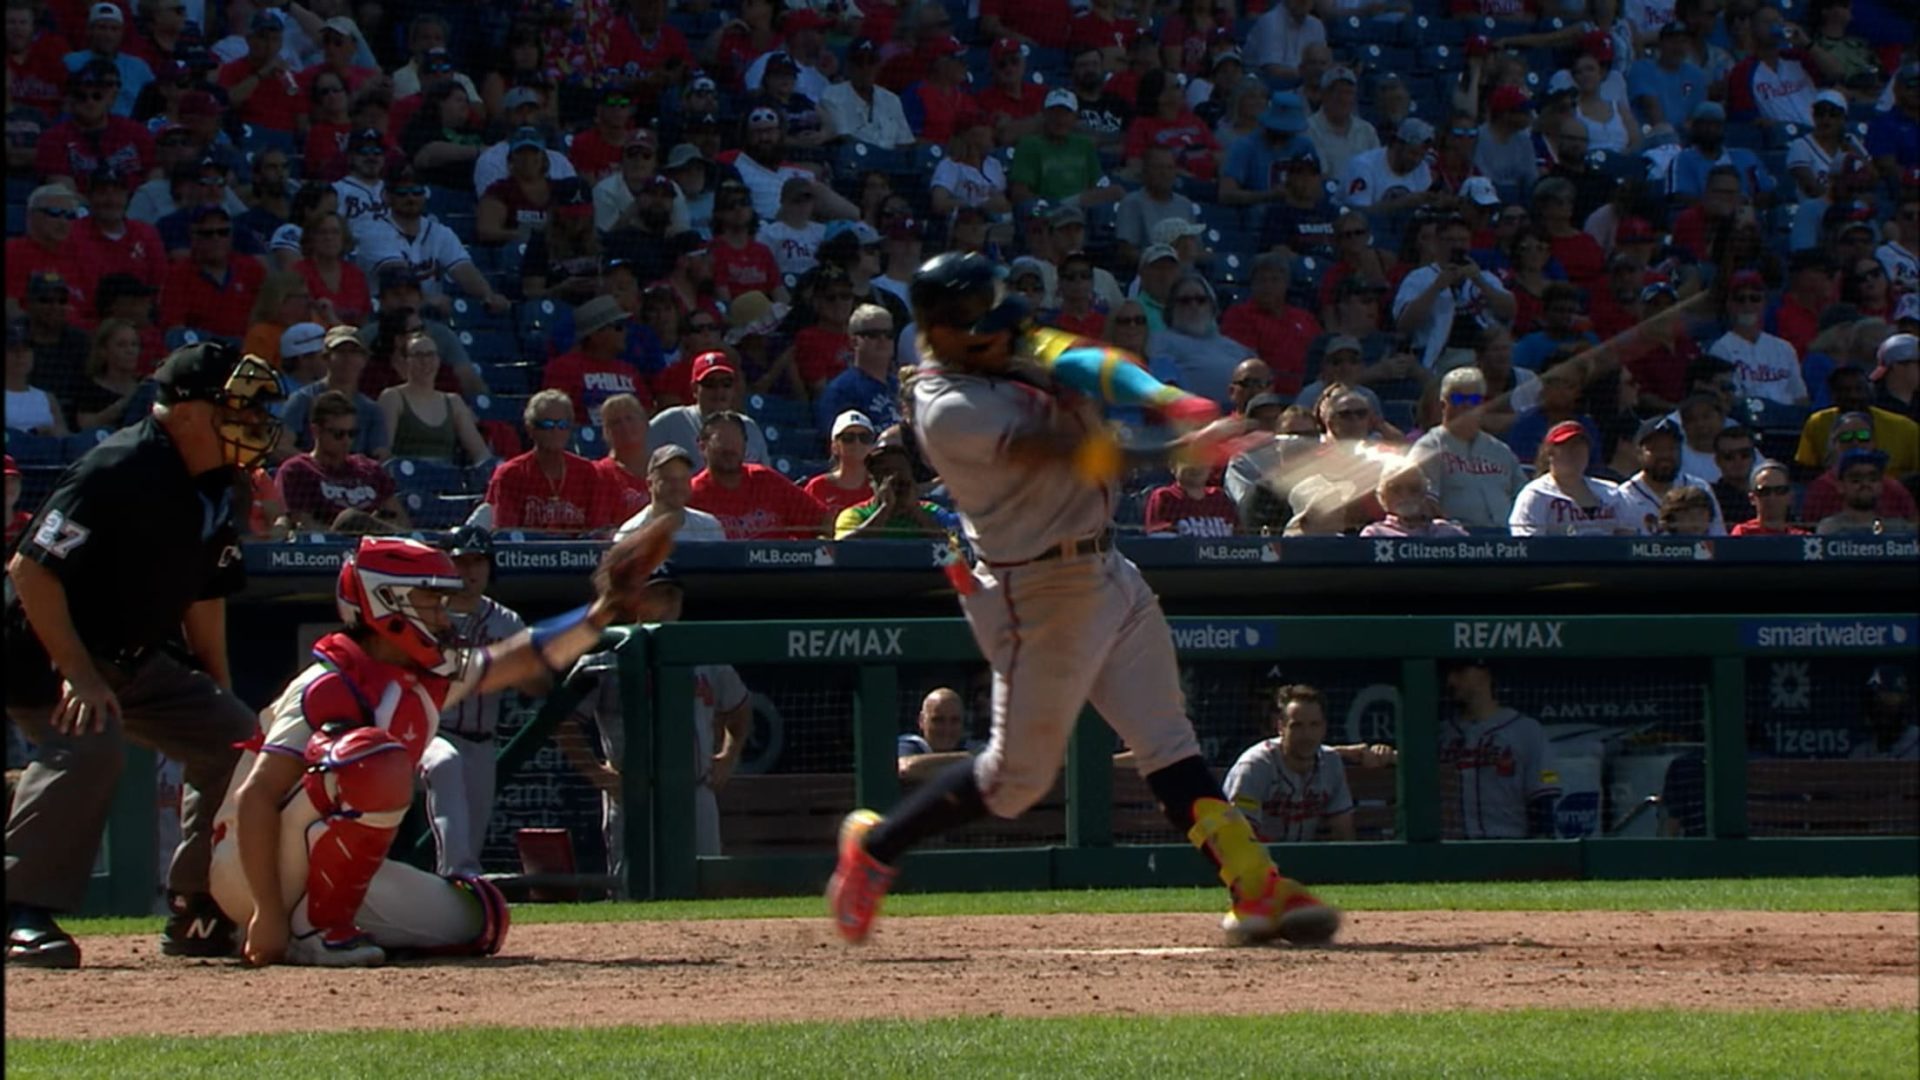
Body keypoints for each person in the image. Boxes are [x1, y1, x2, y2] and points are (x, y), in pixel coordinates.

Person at [826, 252, 1340, 948]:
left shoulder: (990, 343)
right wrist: (1178, 444)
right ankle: (876, 848)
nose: (1009, 336)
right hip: (1039, 597)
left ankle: (1257, 887)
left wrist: (1166, 397)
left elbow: (1082, 358)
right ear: (946, 335)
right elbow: (1078, 451)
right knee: (1014, 783)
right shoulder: (949, 411)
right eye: (989, 328)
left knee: (1167, 739)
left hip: (1108, 568)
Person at [210, 522, 665, 967]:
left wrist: (603, 610)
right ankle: (313, 931)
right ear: (388, 603)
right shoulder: (328, 684)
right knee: (372, 760)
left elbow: (522, 657)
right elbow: (256, 797)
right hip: (251, 867)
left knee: (480, 918)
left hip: (321, 874)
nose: (444, 616)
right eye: (430, 601)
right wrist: (266, 912)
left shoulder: (425, 674)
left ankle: (322, 923)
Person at [4, 343, 282, 967]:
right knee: (92, 737)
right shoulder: (117, 467)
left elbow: (205, 594)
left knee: (236, 741)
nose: (252, 422)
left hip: (133, 659)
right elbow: (30, 570)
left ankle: (196, 907)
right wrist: (78, 674)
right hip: (45, 651)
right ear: (186, 413)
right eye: (235, 408)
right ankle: (19, 909)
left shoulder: (215, 480)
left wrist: (218, 687)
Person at [565, 563, 749, 880]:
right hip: (635, 793)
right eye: (657, 594)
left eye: (672, 594)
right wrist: (597, 774)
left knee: (705, 885)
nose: (668, 602)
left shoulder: (704, 652)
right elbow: (563, 722)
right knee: (634, 885)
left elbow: (739, 707)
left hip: (695, 791)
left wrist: (728, 756)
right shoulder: (604, 655)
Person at [417, 527, 530, 880]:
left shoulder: (506, 621)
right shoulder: (425, 616)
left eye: (478, 561)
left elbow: (536, 685)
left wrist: (508, 666)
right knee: (445, 766)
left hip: (481, 741)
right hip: (434, 733)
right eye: (461, 561)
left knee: (472, 834)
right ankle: (455, 877)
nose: (470, 570)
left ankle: (455, 891)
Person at [1438, 660, 1560, 839]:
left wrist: (1540, 846)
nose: (1451, 680)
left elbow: (1545, 790)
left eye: (1460, 671)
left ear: (1485, 672)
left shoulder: (1527, 730)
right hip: (1451, 848)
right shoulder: (1441, 735)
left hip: (1509, 844)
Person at [1223, 684, 1356, 842]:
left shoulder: (1331, 763)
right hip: (1259, 855)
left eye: (1314, 725)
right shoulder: (1255, 766)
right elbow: (1238, 837)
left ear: (1324, 728)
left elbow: (1344, 832)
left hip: (1309, 855)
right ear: (1281, 727)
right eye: (1297, 726)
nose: (1307, 735)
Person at [485, 391, 625, 534]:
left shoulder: (588, 473)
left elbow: (598, 532)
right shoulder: (510, 474)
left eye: (562, 425)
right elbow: (507, 534)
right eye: (547, 425)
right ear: (530, 429)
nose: (555, 430)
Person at [1393, 215, 1518, 372]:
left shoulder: (1484, 276)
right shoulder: (1419, 277)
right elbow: (1404, 325)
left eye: (1462, 240)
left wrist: (1479, 281)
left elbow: (1510, 311)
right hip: (1442, 355)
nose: (1457, 245)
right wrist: (1437, 287)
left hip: (1486, 352)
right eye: (1450, 240)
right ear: (1436, 243)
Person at [1411, 367, 1524, 529]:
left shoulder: (1501, 451)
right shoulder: (1428, 448)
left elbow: (1523, 496)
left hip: (1506, 535)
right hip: (1456, 537)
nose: (1466, 406)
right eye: (1458, 399)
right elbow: (1425, 504)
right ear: (1443, 405)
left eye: (1474, 400)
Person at [278, 390, 407, 532]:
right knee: (351, 518)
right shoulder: (298, 470)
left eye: (352, 434)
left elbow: (400, 520)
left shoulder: (370, 470)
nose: (347, 441)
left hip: (377, 541)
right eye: (338, 434)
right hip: (331, 542)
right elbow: (302, 525)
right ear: (316, 431)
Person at [687, 411, 829, 539]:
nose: (729, 448)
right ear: (702, 447)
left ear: (745, 445)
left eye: (735, 441)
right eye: (720, 442)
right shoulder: (691, 495)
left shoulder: (767, 481)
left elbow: (822, 521)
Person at [1146, 273, 1258, 407]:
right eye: (1185, 301)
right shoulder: (1160, 341)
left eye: (1201, 300)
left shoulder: (1236, 348)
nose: (1194, 306)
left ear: (1212, 306)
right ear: (1171, 308)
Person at [376, 333, 489, 465]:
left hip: (446, 474)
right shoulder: (392, 397)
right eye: (418, 355)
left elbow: (480, 452)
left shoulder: (454, 402)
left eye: (430, 355)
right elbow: (383, 452)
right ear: (406, 361)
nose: (425, 362)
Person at [647, 352, 771, 471]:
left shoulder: (749, 428)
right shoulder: (670, 422)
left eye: (726, 383)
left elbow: (765, 477)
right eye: (710, 383)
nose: (719, 390)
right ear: (694, 389)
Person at [157, 206, 266, 340]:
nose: (216, 238)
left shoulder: (251, 269)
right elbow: (174, 329)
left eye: (223, 232)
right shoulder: (178, 275)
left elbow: (266, 317)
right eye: (207, 233)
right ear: (193, 236)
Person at [1793, 368, 1920, 479]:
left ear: (1870, 390)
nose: (1853, 396)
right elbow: (1806, 469)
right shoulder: (1817, 423)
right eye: (1845, 390)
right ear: (1832, 394)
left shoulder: (1906, 428)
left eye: (1859, 389)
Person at [280, 326, 386, 458]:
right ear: (326, 357)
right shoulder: (303, 399)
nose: (347, 358)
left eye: (354, 352)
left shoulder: (372, 410)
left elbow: (380, 455)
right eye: (340, 352)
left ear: (365, 360)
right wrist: (314, 465)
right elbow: (281, 446)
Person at [1510, 420, 1629, 535]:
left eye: (1580, 445)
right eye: (1567, 446)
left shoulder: (1610, 491)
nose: (1575, 451)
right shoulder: (1536, 494)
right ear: (1549, 453)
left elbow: (1628, 538)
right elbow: (1528, 544)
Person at [542, 296, 647, 428]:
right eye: (618, 327)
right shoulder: (563, 368)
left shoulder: (630, 371)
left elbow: (646, 412)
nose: (625, 332)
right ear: (596, 335)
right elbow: (556, 415)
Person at [833, 425, 951, 540]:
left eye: (900, 472)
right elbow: (841, 547)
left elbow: (953, 546)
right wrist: (884, 510)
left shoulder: (933, 512)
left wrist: (916, 511)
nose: (894, 483)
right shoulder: (855, 514)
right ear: (871, 480)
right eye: (885, 473)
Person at [1797, 413, 1919, 525]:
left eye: (1863, 436)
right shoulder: (1820, 490)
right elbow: (1810, 530)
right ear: (1833, 445)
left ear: (1874, 443)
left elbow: (1913, 526)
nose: (1855, 443)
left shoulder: (1894, 489)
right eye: (1846, 437)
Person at [1615, 416, 1728, 535]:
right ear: (1639, 452)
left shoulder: (1700, 487)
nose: (1665, 455)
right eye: (1656, 449)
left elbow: (1718, 537)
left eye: (1671, 448)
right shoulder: (1623, 496)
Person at [614, 444, 727, 543]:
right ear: (650, 484)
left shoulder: (710, 528)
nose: (677, 486)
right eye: (669, 479)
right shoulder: (630, 533)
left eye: (683, 479)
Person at [821, 38, 915, 150]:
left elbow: (904, 143)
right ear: (848, 66)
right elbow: (844, 137)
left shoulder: (892, 99)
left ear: (878, 66)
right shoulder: (832, 94)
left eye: (871, 62)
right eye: (859, 63)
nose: (865, 68)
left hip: (890, 159)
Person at [1816, 449, 1917, 535]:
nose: (1865, 484)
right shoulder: (1830, 528)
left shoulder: (1899, 528)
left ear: (1881, 485)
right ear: (1840, 486)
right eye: (1856, 479)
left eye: (1873, 479)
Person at [1360, 461, 1469, 537]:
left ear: (1424, 494)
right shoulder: (1374, 534)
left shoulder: (1450, 533)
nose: (1405, 495)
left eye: (1414, 489)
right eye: (1395, 489)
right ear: (1383, 496)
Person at [804, 410, 879, 521]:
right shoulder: (817, 487)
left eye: (864, 438)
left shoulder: (880, 487)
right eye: (848, 438)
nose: (857, 443)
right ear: (834, 446)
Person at [593, 393, 654, 520]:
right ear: (606, 433)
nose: (625, 426)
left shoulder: (663, 468)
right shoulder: (600, 473)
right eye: (615, 422)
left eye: (630, 418)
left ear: (645, 423)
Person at [896, 687, 973, 783]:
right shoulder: (909, 745)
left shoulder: (969, 746)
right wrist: (969, 760)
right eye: (938, 720)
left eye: (955, 721)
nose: (947, 729)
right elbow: (906, 768)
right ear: (921, 721)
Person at [1144, 460, 1238, 537]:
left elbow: (1238, 540)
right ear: (1173, 466)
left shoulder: (1220, 498)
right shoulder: (1165, 497)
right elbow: (1161, 543)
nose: (1196, 467)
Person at [1730, 460, 1807, 535]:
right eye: (1764, 491)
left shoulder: (1801, 538)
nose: (1772, 497)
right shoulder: (1743, 533)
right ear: (1752, 498)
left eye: (1780, 490)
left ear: (1790, 497)